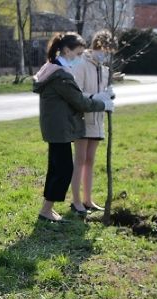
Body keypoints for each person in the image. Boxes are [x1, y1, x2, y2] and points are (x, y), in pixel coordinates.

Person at [33, 32, 113, 222]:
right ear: (67, 51)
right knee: (63, 169)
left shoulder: (53, 68)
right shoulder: (60, 75)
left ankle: (47, 208)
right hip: (59, 127)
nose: (79, 57)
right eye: (78, 53)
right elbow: (79, 101)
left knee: (57, 168)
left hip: (56, 126)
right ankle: (46, 209)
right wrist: (103, 104)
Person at [69, 30, 115, 215]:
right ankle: (76, 201)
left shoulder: (105, 70)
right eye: (103, 49)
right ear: (96, 46)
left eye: (109, 51)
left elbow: (105, 93)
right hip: (82, 119)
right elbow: (76, 93)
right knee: (80, 160)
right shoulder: (82, 64)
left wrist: (109, 96)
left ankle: (88, 200)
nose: (105, 54)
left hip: (97, 121)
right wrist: (96, 97)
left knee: (90, 161)